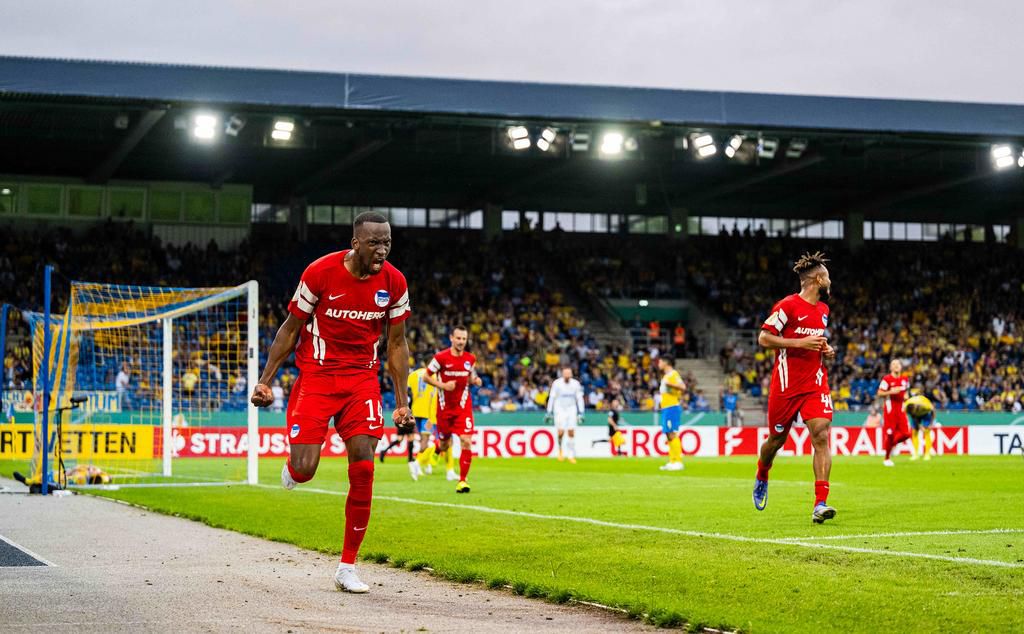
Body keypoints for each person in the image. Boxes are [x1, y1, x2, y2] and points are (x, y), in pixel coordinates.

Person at [250, 211, 414, 594]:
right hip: (318, 377)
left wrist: (402, 402)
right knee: (306, 469)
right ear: (356, 242)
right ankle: (294, 468)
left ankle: (347, 566)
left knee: (363, 464)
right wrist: (264, 381)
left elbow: (396, 343)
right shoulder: (320, 272)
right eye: (374, 242)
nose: (382, 249)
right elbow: (290, 329)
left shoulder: (394, 281)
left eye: (387, 242)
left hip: (361, 380)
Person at [752, 251, 837, 524]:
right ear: (817, 279)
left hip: (814, 383)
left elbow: (815, 341)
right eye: (827, 275)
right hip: (786, 387)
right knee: (775, 441)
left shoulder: (824, 311)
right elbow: (764, 338)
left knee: (821, 435)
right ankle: (763, 472)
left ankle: (820, 503)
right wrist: (800, 343)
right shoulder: (787, 306)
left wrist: (826, 348)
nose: (830, 280)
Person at [424, 326, 482, 493]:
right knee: (444, 444)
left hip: (463, 406)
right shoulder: (440, 358)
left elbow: (470, 377)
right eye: (458, 338)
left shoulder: (470, 359)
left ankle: (462, 481)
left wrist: (475, 380)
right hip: (444, 409)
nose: (461, 341)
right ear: (451, 338)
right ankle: (435, 451)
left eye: (464, 339)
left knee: (466, 440)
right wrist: (442, 385)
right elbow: (426, 376)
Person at [546, 366, 585, 463]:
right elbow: (552, 397)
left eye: (569, 373)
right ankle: (560, 450)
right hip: (559, 409)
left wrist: (581, 412)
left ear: (571, 374)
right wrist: (549, 411)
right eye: (565, 373)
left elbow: (579, 398)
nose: (567, 375)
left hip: (571, 409)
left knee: (571, 432)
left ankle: (571, 455)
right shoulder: (557, 383)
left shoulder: (576, 384)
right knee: (560, 432)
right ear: (562, 374)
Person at [877, 359, 912, 466]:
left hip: (901, 410)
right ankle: (887, 458)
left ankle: (890, 446)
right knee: (890, 434)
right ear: (890, 368)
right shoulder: (887, 379)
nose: (896, 366)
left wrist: (907, 397)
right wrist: (891, 391)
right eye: (894, 364)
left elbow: (906, 393)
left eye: (898, 364)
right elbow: (879, 393)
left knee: (907, 434)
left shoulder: (905, 379)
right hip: (890, 410)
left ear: (901, 367)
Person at [657, 357, 686, 471]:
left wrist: (670, 384)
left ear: (666, 362)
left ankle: (678, 461)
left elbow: (683, 387)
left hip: (672, 407)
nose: (658, 363)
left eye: (660, 361)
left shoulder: (673, 374)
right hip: (666, 408)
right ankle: (672, 461)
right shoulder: (666, 376)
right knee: (668, 434)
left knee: (672, 433)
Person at [904, 390, 936, 461]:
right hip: (915, 416)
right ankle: (916, 454)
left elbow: (933, 411)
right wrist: (919, 426)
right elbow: (912, 416)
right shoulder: (906, 406)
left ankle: (927, 454)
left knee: (927, 432)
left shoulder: (926, 405)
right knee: (914, 432)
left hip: (925, 414)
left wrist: (931, 423)